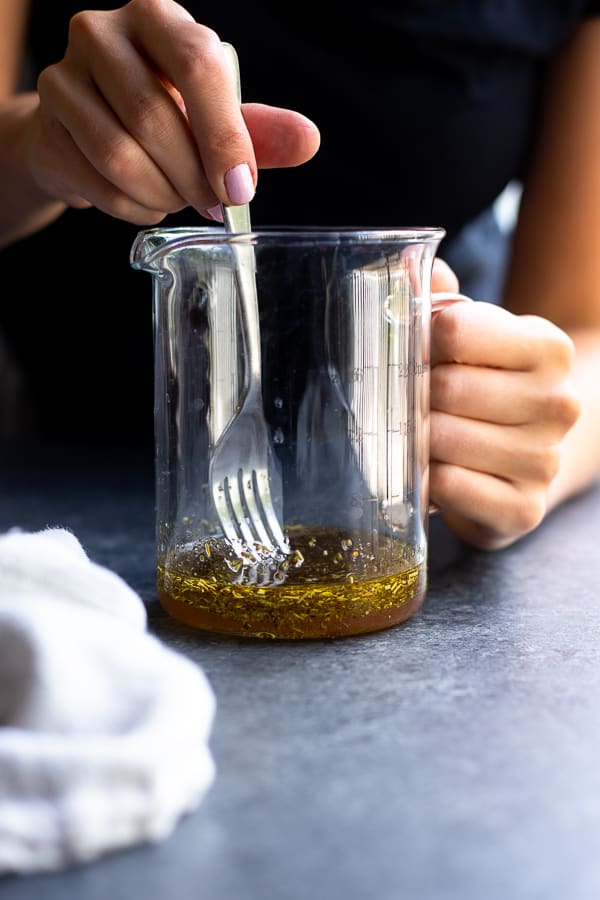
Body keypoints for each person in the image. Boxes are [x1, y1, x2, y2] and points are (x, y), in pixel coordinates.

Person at [1, 0, 599, 554]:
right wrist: (37, 145)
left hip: (393, 485)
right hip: (47, 467)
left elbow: (582, 327)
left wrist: (517, 447)